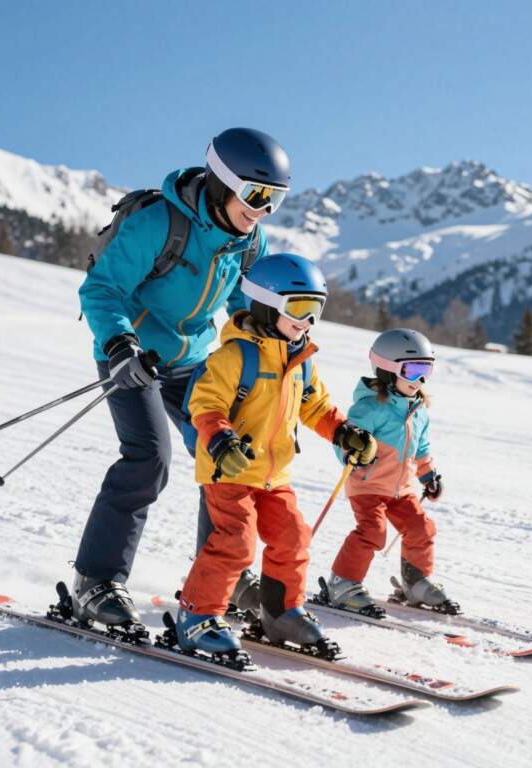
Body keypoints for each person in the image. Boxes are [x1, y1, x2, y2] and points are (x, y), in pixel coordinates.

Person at [72, 128, 291, 627]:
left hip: (191, 360)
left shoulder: (249, 240)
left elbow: (243, 309)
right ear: (222, 183)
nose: (262, 210)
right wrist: (120, 344)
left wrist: (265, 354)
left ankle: (223, 578)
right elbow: (101, 289)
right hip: (130, 355)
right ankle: (96, 580)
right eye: (256, 195)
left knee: (226, 456)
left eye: (274, 200)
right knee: (149, 458)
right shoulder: (159, 223)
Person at [173, 255, 377, 655]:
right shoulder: (233, 357)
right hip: (229, 471)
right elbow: (206, 404)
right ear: (266, 304)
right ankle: (197, 616)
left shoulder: (300, 359)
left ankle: (282, 612)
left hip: (274, 474)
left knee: (293, 537)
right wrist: (220, 440)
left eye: (316, 310)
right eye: (298, 308)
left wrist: (343, 433)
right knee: (236, 543)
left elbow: (316, 407)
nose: (307, 321)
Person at [323, 329, 452, 613]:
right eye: (413, 370)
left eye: (426, 370)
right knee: (373, 531)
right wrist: (352, 454)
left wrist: (428, 475)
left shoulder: (418, 411)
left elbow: (420, 449)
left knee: (422, 528)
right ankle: (342, 583)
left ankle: (416, 581)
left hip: (401, 489)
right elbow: (346, 439)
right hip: (367, 486)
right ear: (387, 370)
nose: (420, 380)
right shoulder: (370, 407)